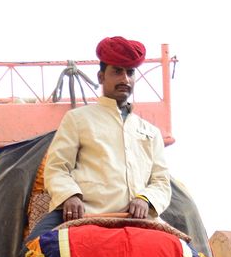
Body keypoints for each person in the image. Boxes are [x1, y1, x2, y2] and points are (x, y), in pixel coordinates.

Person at [30, 35, 172, 239]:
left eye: (130, 73)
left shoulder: (151, 131)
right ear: (101, 77)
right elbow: (57, 168)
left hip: (142, 218)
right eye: (117, 72)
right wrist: (70, 195)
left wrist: (146, 199)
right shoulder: (77, 119)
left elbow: (161, 181)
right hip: (85, 213)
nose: (125, 79)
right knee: (32, 253)